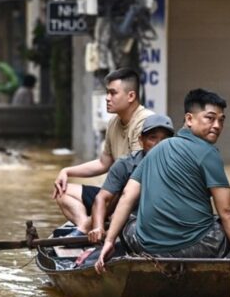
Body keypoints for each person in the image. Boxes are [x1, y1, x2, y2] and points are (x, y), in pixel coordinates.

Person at [94, 89, 230, 280]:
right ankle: (228, 259)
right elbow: (228, 211)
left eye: (221, 120)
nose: (217, 125)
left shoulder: (155, 150)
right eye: (210, 118)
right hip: (197, 249)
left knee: (129, 220)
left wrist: (109, 240)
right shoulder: (209, 153)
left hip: (144, 246)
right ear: (189, 119)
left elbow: (126, 196)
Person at [53, 68, 154, 236]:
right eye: (107, 92)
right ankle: (86, 227)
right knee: (62, 192)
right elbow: (103, 163)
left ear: (131, 96)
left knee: (112, 196)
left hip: (135, 197)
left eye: (113, 93)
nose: (107, 98)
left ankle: (86, 228)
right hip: (113, 193)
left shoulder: (146, 122)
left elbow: (134, 180)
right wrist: (66, 171)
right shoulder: (114, 122)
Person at [73, 114, 175, 266]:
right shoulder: (125, 165)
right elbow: (102, 198)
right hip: (131, 228)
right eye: (152, 138)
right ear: (141, 140)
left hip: (166, 229)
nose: (158, 144)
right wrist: (98, 227)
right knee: (89, 263)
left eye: (164, 139)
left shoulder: (179, 165)